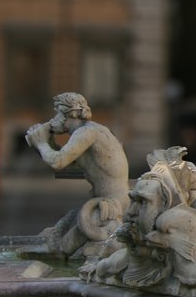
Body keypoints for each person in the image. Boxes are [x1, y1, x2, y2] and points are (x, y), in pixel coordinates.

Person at [26, 92, 130, 254]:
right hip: (101, 202)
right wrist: (47, 142)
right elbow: (65, 166)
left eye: (59, 113)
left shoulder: (86, 133)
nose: (54, 119)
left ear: (72, 114)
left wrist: (41, 143)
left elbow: (57, 161)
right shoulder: (91, 131)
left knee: (60, 249)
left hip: (112, 206)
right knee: (54, 236)